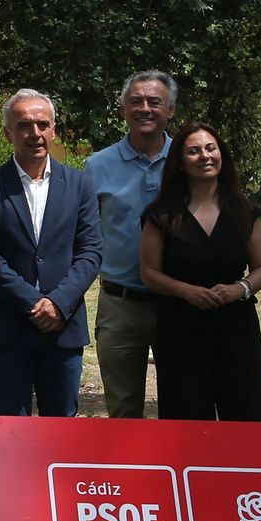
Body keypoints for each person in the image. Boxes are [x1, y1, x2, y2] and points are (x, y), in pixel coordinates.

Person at [0, 89, 101, 417]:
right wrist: (33, 303)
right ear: (8, 132)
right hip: (9, 327)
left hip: (63, 326)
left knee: (62, 428)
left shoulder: (80, 185)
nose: (35, 133)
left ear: (54, 130)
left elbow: (91, 251)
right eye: (25, 125)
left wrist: (58, 303)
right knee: (12, 430)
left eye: (43, 124)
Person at [140, 123, 261, 421]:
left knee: (247, 415)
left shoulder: (243, 210)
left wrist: (238, 289)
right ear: (179, 162)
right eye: (194, 151)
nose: (205, 156)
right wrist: (185, 291)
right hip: (181, 329)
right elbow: (148, 272)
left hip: (236, 327)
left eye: (210, 148)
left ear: (221, 154)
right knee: (187, 416)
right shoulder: (161, 214)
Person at [84, 70, 177, 419]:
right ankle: (129, 475)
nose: (145, 108)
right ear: (123, 109)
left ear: (170, 110)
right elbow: (87, 235)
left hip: (178, 303)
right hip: (121, 303)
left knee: (183, 402)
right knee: (122, 409)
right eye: (135, 101)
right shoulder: (97, 165)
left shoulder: (189, 159)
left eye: (155, 102)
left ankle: (176, 474)